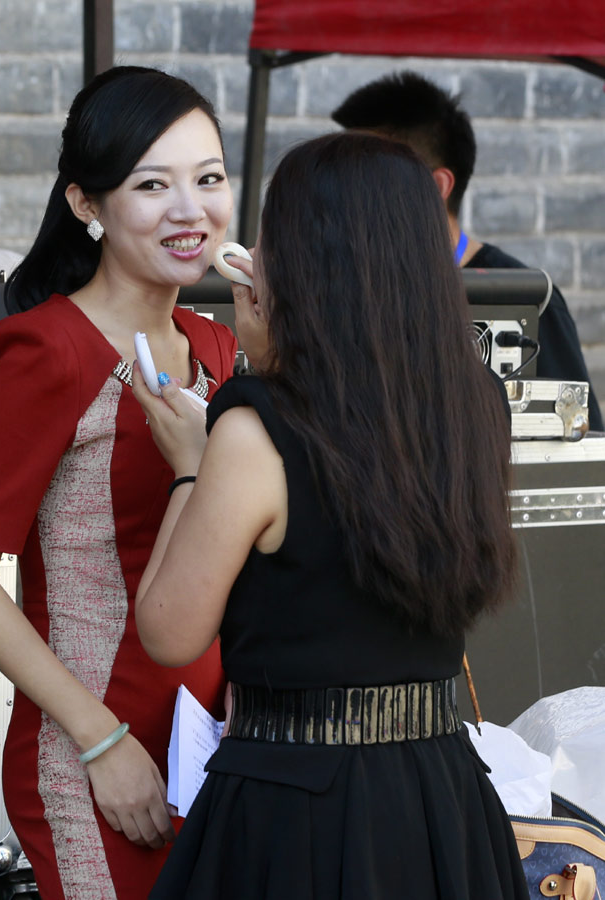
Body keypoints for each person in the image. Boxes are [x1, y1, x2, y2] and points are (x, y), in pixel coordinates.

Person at [132, 132, 529, 899]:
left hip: (294, 801)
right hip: (440, 792)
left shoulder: (256, 427)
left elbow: (169, 631)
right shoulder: (478, 402)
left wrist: (190, 464)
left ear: (307, 263)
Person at [0, 66, 237, 900]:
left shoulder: (217, 345)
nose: (191, 210)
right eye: (153, 185)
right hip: (92, 752)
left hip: (210, 744)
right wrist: (101, 743)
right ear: (86, 203)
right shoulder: (47, 349)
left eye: (209, 179)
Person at [331, 70, 603, 432]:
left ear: (435, 186)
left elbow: (580, 439)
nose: (341, 193)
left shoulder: (529, 302)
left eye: (362, 176)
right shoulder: (339, 285)